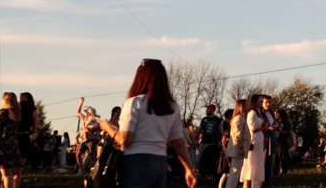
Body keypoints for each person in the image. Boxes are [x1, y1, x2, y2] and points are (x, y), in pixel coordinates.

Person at [94, 59, 196, 188]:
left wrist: (108, 128)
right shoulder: (172, 107)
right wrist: (188, 169)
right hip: (160, 164)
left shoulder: (134, 103)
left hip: (136, 162)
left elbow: (125, 139)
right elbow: (179, 143)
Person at [218, 100, 248, 188]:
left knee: (235, 172)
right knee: (234, 172)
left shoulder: (240, 118)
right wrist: (241, 148)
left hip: (237, 150)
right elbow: (237, 135)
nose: (249, 106)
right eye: (247, 104)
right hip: (237, 150)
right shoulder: (239, 118)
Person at [241, 94, 268, 188]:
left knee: (256, 168)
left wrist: (264, 125)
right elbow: (252, 128)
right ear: (255, 101)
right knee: (250, 169)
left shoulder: (259, 113)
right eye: (260, 100)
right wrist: (263, 127)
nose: (261, 102)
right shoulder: (252, 113)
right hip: (254, 140)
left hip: (259, 140)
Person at [14, 93, 37, 187]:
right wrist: (28, 131)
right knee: (19, 169)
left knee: (8, 169)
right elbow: (34, 129)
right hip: (25, 138)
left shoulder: (17, 108)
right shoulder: (34, 110)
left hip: (14, 137)